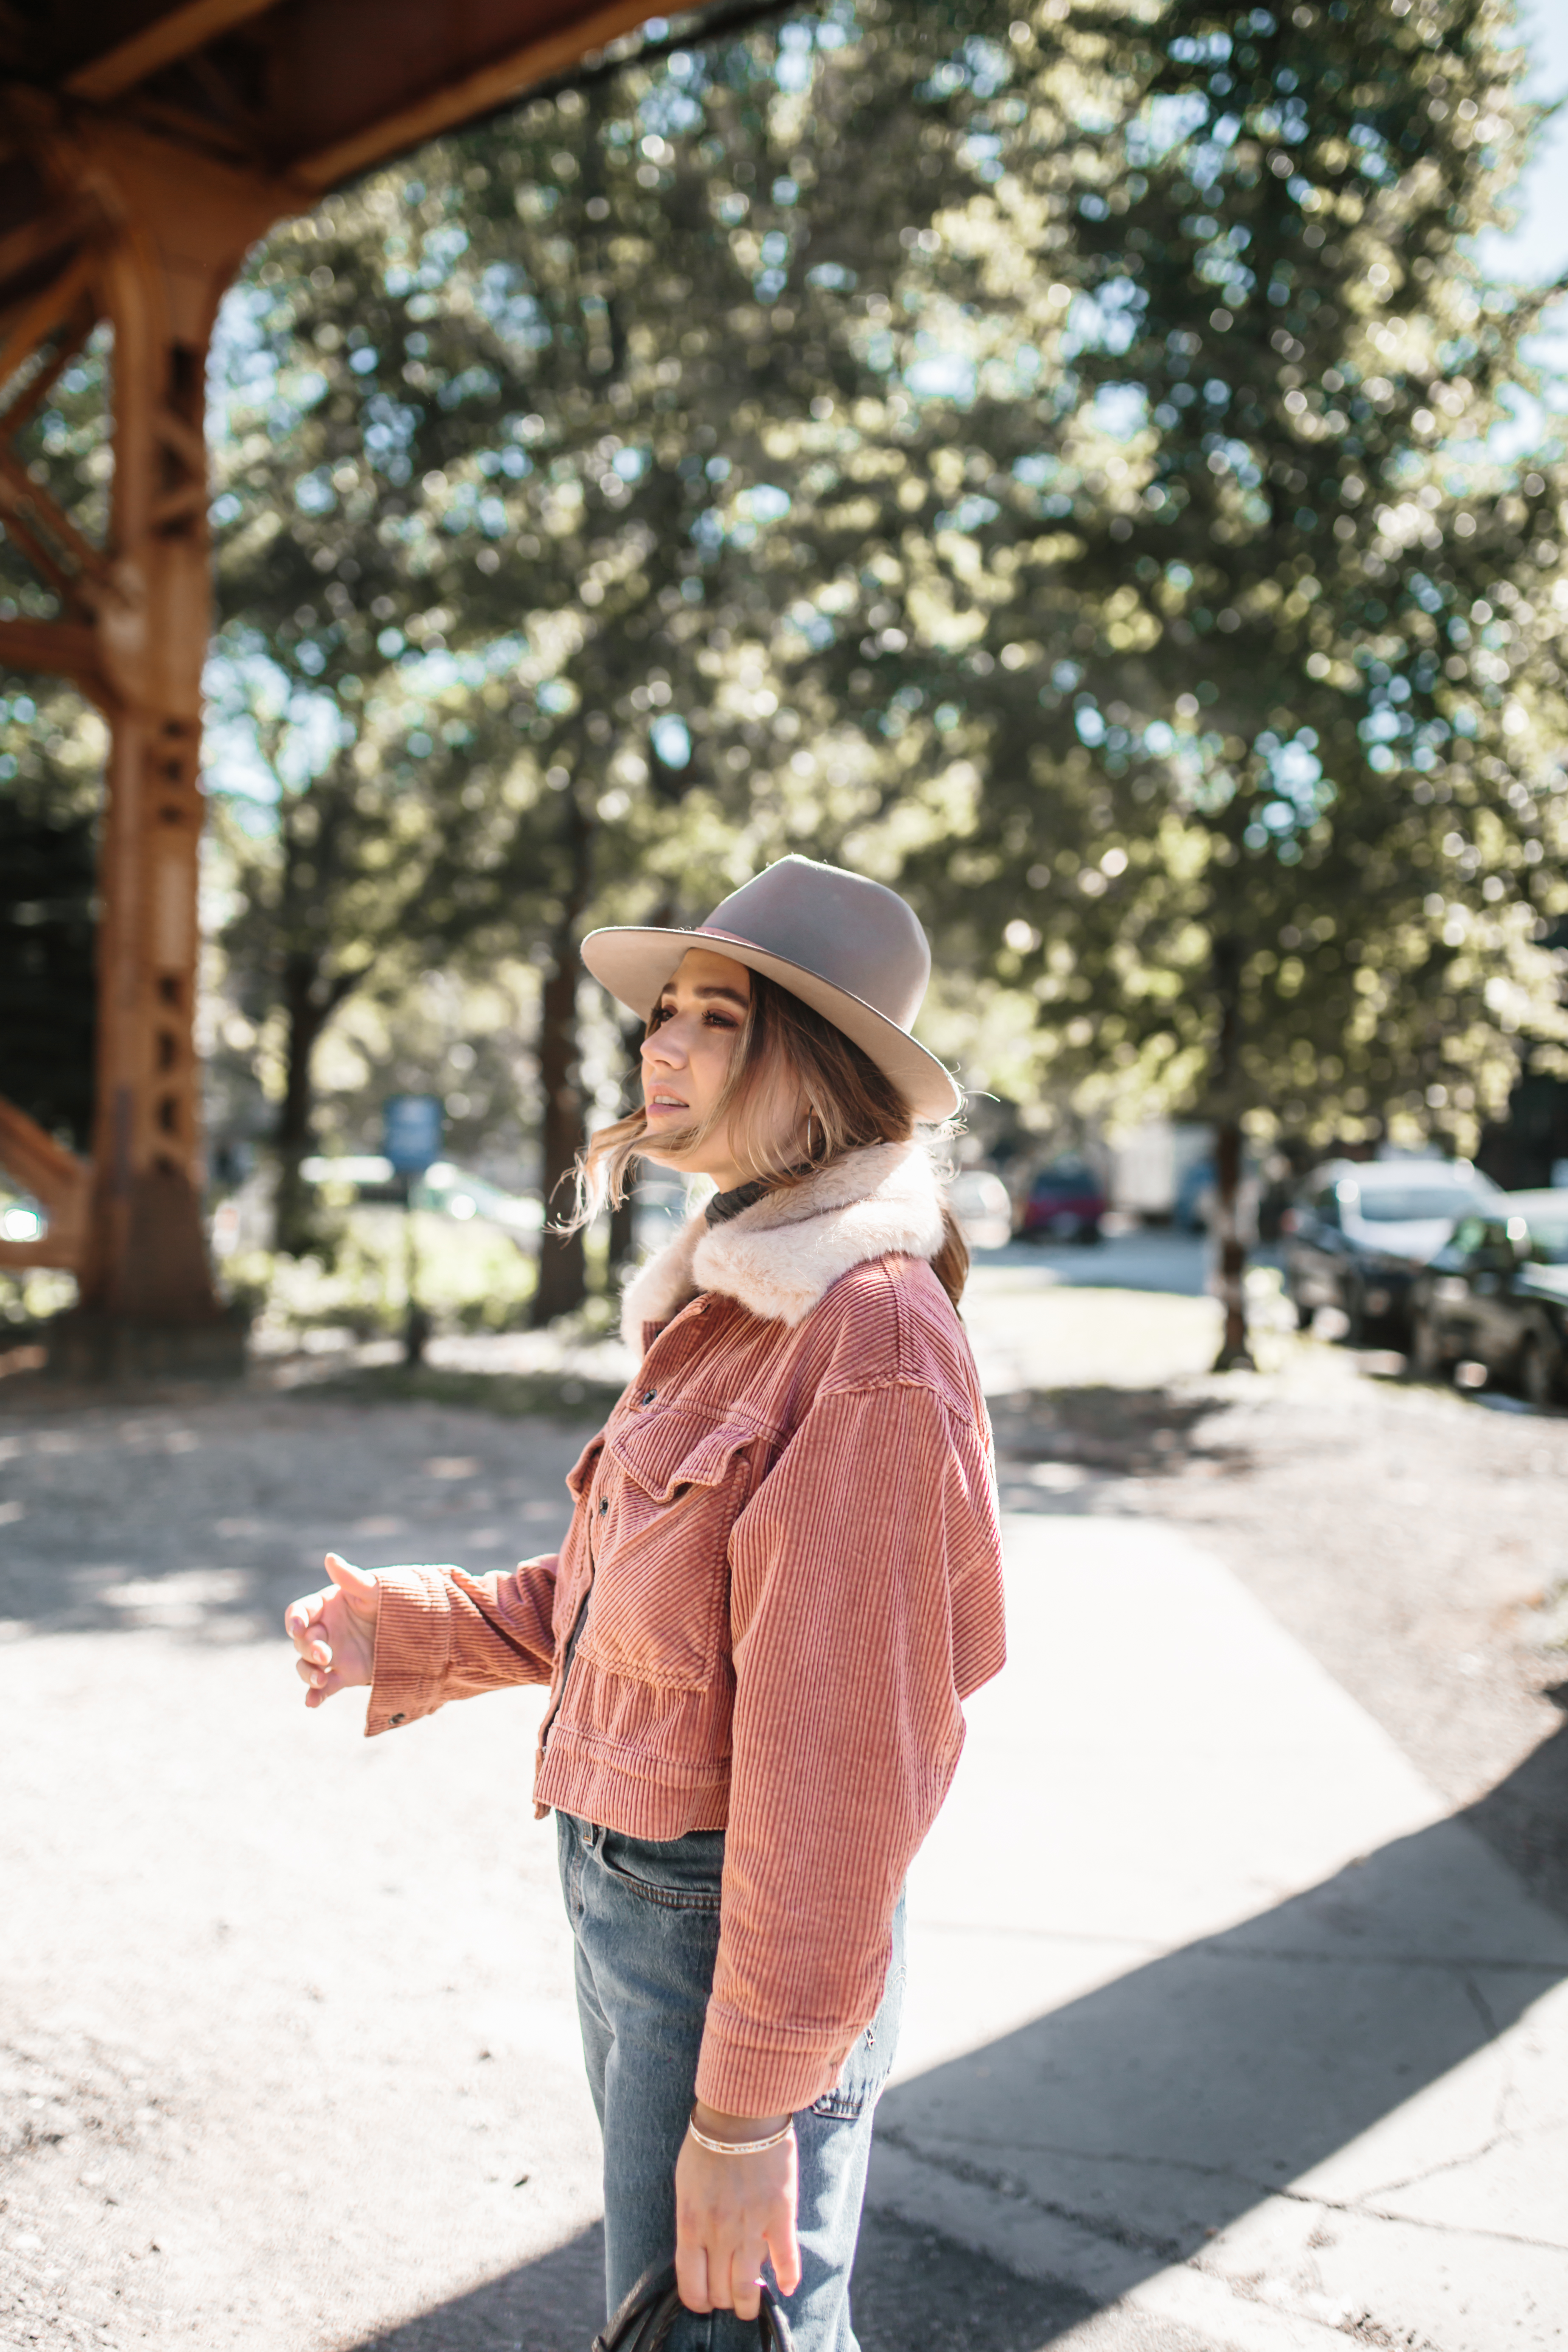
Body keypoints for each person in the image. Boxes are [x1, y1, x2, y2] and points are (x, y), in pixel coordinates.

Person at [284, 855, 1006, 2352]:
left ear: (819, 1071)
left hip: (729, 1940)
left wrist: (745, 2121)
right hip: (646, 1903)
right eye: (661, 1012)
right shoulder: (739, 1302)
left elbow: (841, 1773)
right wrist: (402, 1631)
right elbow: (637, 1614)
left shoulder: (865, 1338)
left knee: (724, 2338)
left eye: (715, 1019)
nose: (656, 1045)